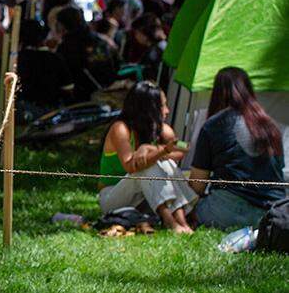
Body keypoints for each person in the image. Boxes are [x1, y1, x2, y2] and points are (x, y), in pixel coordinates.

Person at [189, 67, 286, 229]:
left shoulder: (213, 125)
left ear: (218, 93)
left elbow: (197, 185)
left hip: (226, 210)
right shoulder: (271, 126)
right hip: (270, 215)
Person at [98, 82, 195, 233]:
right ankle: (171, 221)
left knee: (165, 161)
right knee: (148, 166)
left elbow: (185, 146)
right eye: (163, 106)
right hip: (113, 198)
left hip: (144, 197)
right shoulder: (120, 128)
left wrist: (150, 148)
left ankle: (181, 221)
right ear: (148, 109)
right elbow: (131, 166)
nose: (167, 111)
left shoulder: (160, 128)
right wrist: (161, 151)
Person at [57, 6, 120, 103]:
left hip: (81, 98)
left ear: (63, 25)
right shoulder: (100, 40)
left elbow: (64, 76)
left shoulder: (66, 47)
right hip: (108, 91)